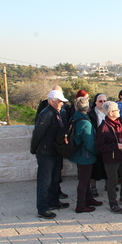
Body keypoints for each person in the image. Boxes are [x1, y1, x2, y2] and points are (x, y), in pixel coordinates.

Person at [30, 90, 70, 219]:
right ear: (51, 101)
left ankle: (54, 202)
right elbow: (38, 133)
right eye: (59, 101)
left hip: (55, 151)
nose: (61, 104)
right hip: (46, 152)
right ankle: (43, 208)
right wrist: (34, 149)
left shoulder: (58, 113)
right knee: (44, 182)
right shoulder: (46, 114)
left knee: (54, 179)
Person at [96, 101, 122, 213]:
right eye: (116, 110)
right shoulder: (104, 127)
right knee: (112, 181)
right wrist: (115, 146)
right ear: (110, 113)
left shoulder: (119, 122)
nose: (119, 111)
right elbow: (100, 146)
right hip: (111, 157)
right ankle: (113, 203)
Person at [68, 97, 103, 213]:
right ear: (88, 108)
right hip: (85, 155)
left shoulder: (75, 118)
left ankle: (88, 199)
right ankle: (80, 204)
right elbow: (89, 143)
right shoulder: (85, 123)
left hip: (79, 154)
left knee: (86, 179)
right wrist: (97, 152)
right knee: (84, 180)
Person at [87, 93, 108, 197]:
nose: (103, 103)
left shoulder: (109, 112)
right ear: (95, 102)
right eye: (100, 101)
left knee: (107, 165)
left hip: (107, 144)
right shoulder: (90, 114)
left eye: (104, 101)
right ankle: (93, 188)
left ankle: (108, 185)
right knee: (94, 168)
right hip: (95, 143)